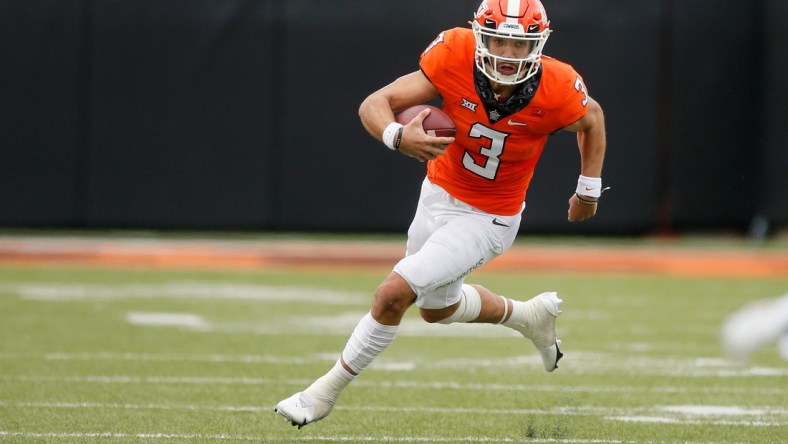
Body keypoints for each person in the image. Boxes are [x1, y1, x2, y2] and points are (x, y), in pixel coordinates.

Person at [275, 0, 607, 428]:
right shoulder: (453, 54)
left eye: (518, 45)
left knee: (392, 294)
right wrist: (397, 135)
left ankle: (320, 394)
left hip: (489, 217)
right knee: (436, 309)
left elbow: (592, 118)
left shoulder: (559, 86)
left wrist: (589, 189)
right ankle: (530, 316)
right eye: (499, 42)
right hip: (436, 194)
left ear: (538, 45)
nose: (507, 56)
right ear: (481, 37)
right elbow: (375, 103)